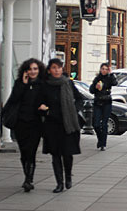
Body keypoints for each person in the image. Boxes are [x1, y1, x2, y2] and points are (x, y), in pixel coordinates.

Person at [39, 58, 84, 193]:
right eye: (54, 68)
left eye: (59, 67)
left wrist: (74, 110)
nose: (57, 70)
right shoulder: (45, 85)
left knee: (67, 154)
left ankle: (68, 177)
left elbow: (80, 99)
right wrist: (45, 110)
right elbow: (40, 102)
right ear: (49, 70)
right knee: (55, 155)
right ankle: (59, 183)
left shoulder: (68, 83)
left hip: (67, 124)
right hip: (52, 124)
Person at [5, 58, 45, 192]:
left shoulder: (43, 84)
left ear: (39, 70)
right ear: (25, 71)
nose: (32, 72)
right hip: (20, 123)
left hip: (35, 123)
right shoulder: (19, 83)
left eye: (35, 69)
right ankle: (27, 175)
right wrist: (23, 84)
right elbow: (14, 99)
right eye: (30, 69)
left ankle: (29, 179)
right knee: (23, 153)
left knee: (31, 151)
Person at [89, 63, 118, 151]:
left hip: (107, 102)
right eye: (103, 69)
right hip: (98, 102)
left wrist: (111, 74)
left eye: (106, 69)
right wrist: (95, 87)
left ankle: (103, 144)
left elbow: (115, 83)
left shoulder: (109, 78)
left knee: (104, 123)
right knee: (96, 124)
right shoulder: (97, 79)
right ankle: (100, 139)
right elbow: (91, 90)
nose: (104, 70)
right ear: (100, 69)